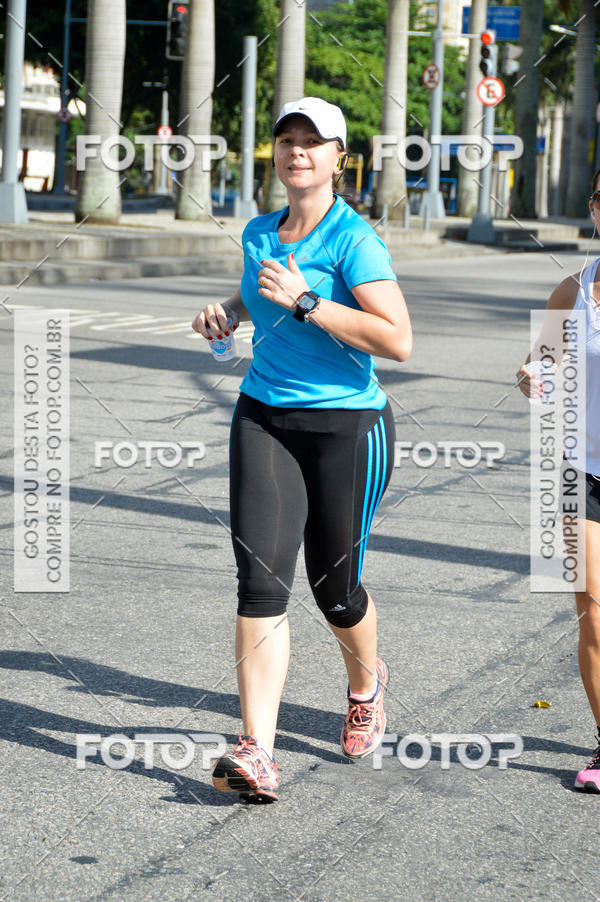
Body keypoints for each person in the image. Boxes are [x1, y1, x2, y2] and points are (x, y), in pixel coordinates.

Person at [192, 97, 412, 803]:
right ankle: (256, 749)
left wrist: (309, 301)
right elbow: (261, 294)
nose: (297, 152)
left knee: (335, 591)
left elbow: (397, 340)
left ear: (339, 158)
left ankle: (364, 683)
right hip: (263, 419)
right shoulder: (260, 230)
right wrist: (228, 311)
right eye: (287, 140)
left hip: (348, 428)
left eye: (313, 143)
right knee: (260, 583)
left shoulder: (356, 241)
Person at [517, 167, 600, 792]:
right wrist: (531, 377)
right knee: (593, 614)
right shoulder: (571, 290)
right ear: (594, 211)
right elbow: (541, 366)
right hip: (577, 470)